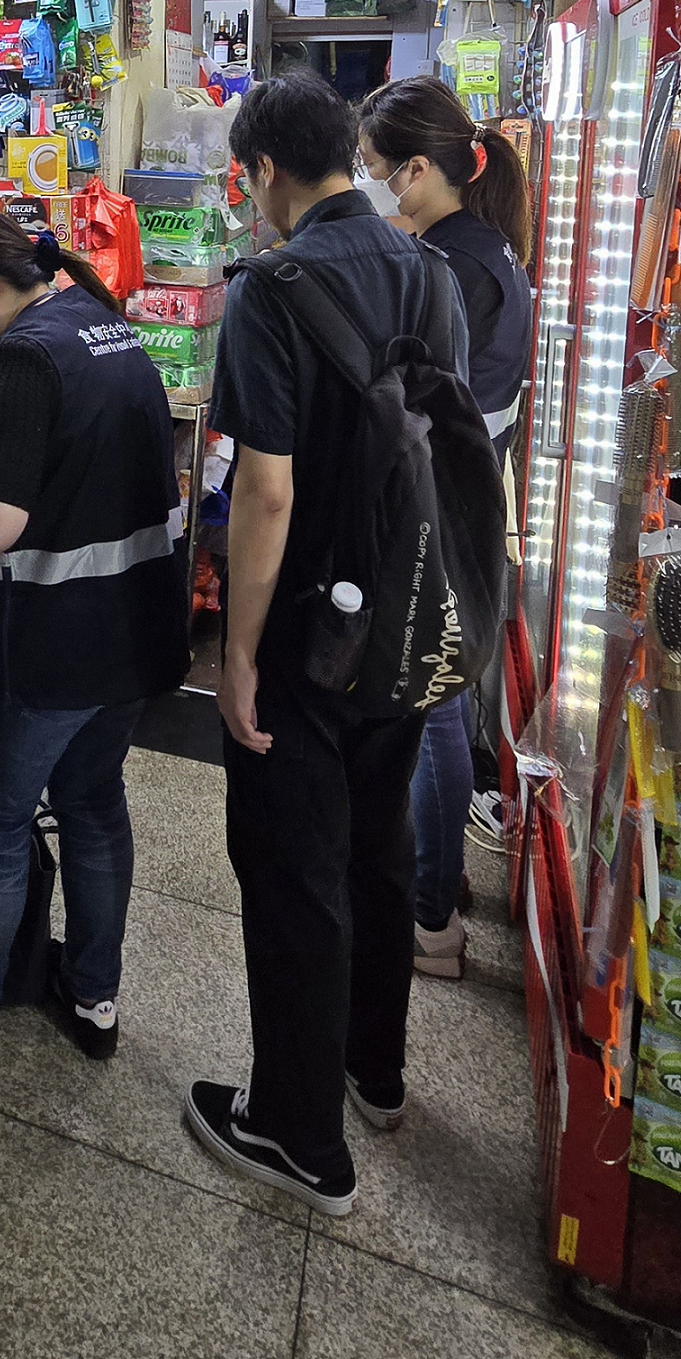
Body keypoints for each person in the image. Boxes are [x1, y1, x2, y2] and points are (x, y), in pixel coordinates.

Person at [185, 71, 472, 1217]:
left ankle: (299, 1137)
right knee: (374, 847)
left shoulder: (270, 288)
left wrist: (237, 657)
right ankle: (374, 1069)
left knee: (293, 873)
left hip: (310, 626)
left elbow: (262, 491)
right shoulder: (431, 268)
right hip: (407, 615)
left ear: (259, 173)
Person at [0, 210, 189, 1065]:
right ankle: (95, 996)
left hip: (55, 639)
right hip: (135, 628)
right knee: (94, 803)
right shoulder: (100, 325)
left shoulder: (26, 356)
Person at [357, 77, 534, 980]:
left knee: (431, 713)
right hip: (468, 507)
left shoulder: (449, 271)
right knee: (443, 707)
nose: (371, 183)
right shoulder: (484, 250)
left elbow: (414, 410)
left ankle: (428, 918)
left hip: (437, 514)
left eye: (377, 168)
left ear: (419, 170)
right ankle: (440, 883)